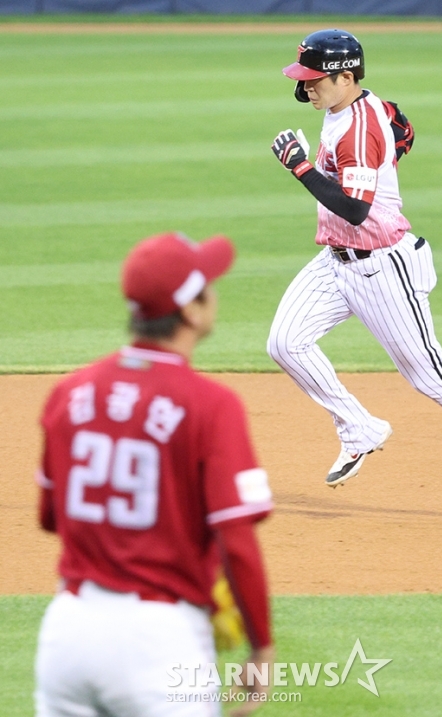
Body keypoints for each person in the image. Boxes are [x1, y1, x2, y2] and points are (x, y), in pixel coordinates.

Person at [269, 28, 442, 511]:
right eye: (302, 79)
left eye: (313, 80)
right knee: (285, 342)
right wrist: (388, 158)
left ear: (345, 77)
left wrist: (300, 167)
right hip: (335, 260)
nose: (305, 87)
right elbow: (402, 126)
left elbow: (353, 210)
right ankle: (360, 427)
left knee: (429, 375)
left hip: (382, 267)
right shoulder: (354, 107)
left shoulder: (359, 130)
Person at [35, 231, 274, 717]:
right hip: (159, 642)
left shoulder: (70, 393)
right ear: (191, 310)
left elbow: (49, 516)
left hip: (68, 633)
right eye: (208, 283)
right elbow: (236, 540)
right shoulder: (211, 405)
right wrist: (261, 647)